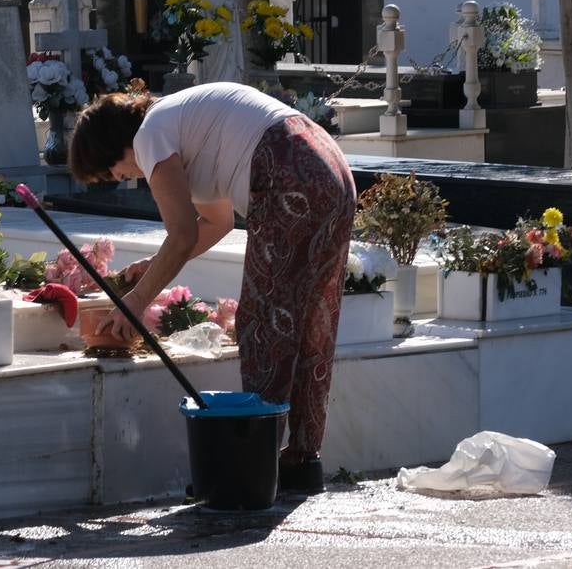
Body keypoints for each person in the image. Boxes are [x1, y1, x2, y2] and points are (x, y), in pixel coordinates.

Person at [68, 82, 356, 495]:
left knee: (263, 322)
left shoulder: (150, 134)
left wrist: (135, 302)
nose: (120, 178)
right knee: (310, 321)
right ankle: (300, 460)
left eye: (110, 171)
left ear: (113, 146)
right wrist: (154, 266)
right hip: (328, 165)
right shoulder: (180, 122)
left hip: (287, 169)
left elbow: (181, 235)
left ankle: (254, 470)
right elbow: (215, 224)